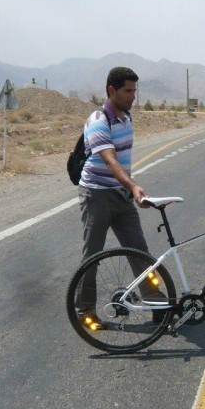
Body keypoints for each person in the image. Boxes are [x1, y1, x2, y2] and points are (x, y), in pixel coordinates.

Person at [75, 66, 157, 330]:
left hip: (121, 195)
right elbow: (110, 160)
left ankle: (158, 306)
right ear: (112, 90)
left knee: (139, 252)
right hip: (96, 195)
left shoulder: (126, 117)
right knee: (93, 255)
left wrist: (128, 189)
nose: (133, 96)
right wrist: (134, 186)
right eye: (128, 91)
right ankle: (85, 312)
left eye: (135, 90)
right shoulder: (99, 120)